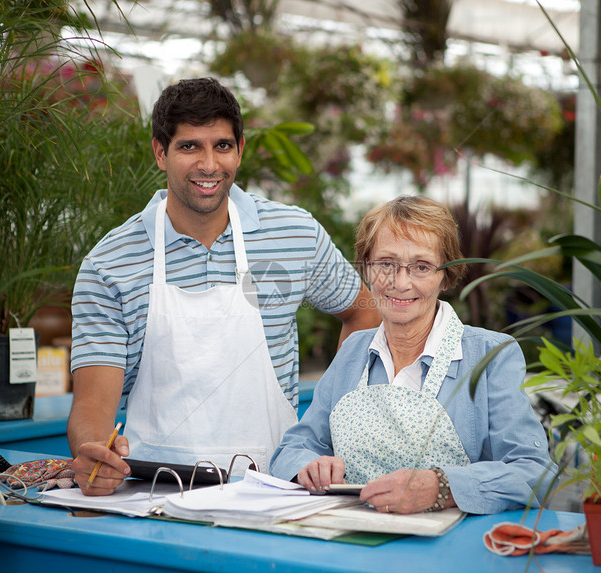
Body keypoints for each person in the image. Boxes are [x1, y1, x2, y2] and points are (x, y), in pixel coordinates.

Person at [68, 77, 379, 496]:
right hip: (154, 493)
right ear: (160, 153)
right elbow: (93, 405)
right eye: (189, 146)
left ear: (240, 149)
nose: (209, 164)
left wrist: (331, 418)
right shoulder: (111, 263)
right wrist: (94, 454)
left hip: (279, 488)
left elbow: (365, 310)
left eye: (222, 146)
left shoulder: (293, 235)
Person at [270, 196, 557, 515]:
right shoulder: (354, 350)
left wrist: (443, 487)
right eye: (385, 264)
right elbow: (292, 449)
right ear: (366, 269)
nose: (400, 283)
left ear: (446, 276)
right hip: (352, 542)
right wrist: (308, 466)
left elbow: (534, 472)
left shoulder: (491, 356)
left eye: (421, 266)